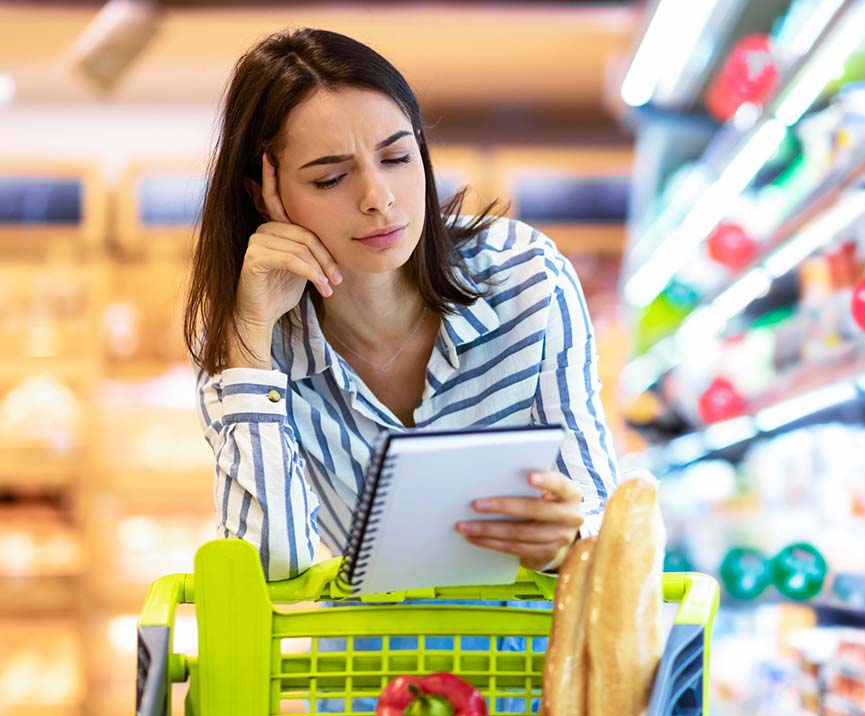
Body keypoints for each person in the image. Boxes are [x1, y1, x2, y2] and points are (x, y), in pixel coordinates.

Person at [183, 27, 621, 583]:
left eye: (396, 157)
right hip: (371, 666)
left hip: (535, 660)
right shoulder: (252, 343)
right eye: (331, 178)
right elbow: (269, 570)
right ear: (264, 195)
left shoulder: (526, 279)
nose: (379, 198)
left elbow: (599, 518)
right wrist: (247, 338)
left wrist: (566, 540)